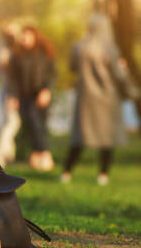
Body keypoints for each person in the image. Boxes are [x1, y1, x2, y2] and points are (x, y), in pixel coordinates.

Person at [61, 14, 134, 186]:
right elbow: (118, 74)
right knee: (106, 138)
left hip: (86, 99)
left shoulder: (79, 47)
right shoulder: (110, 48)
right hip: (107, 98)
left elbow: (72, 68)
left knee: (80, 137)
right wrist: (128, 82)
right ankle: (103, 175)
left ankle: (66, 172)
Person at [8, 26, 56, 172]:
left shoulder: (44, 54)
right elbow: (14, 79)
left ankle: (44, 155)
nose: (25, 39)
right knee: (31, 125)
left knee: (39, 125)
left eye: (27, 36)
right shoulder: (17, 55)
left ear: (35, 36)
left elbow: (52, 74)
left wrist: (46, 90)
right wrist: (14, 96)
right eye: (23, 36)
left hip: (40, 95)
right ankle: (37, 155)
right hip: (25, 97)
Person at [0, 24, 21, 166]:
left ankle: (9, 156)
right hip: (9, 90)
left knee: (9, 122)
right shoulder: (4, 51)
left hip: (10, 90)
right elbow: (10, 75)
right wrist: (12, 95)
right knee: (12, 123)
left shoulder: (9, 49)